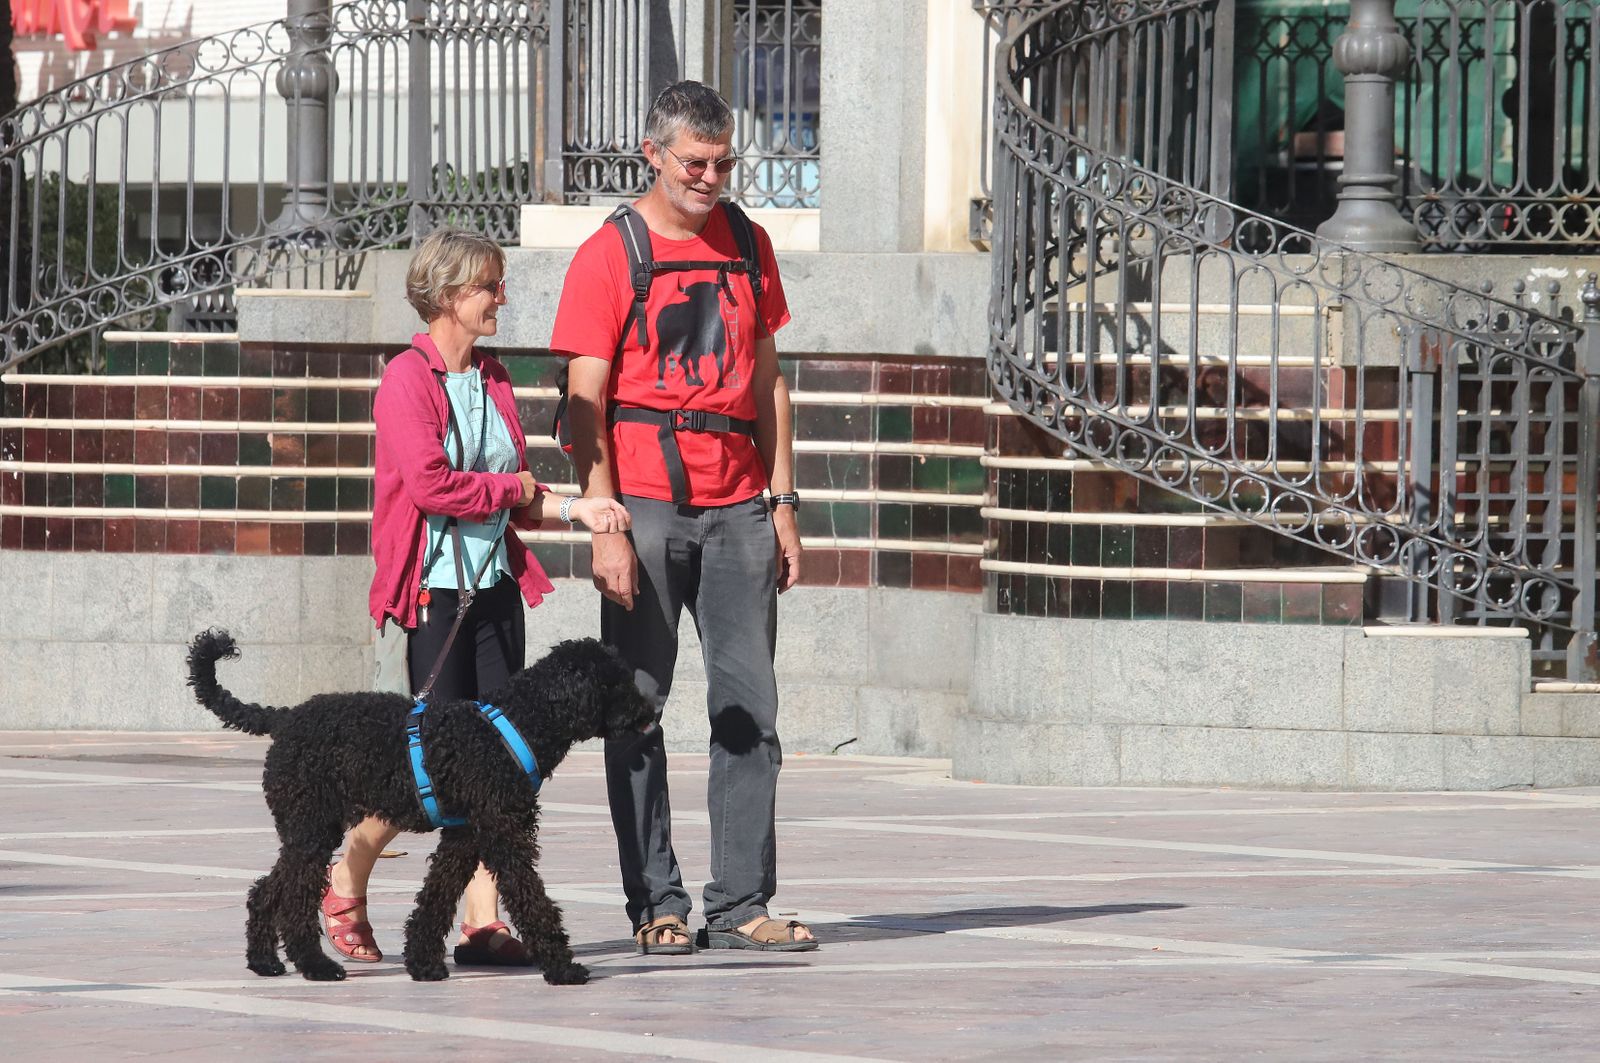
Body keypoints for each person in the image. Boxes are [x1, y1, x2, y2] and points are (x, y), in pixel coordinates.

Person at [551, 81, 817, 954]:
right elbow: (581, 400)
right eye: (695, 163)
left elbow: (770, 380)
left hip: (740, 501)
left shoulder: (748, 242)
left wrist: (782, 503)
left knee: (751, 709)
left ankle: (742, 904)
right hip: (647, 503)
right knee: (635, 707)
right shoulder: (607, 254)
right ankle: (656, 902)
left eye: (724, 162)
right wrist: (606, 523)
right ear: (652, 154)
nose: (711, 178)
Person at [326, 227, 631, 966]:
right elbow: (433, 484)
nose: (501, 296)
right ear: (449, 293)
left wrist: (574, 511)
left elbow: (515, 499)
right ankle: (346, 876)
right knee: (425, 766)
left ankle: (483, 922)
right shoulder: (406, 379)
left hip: (494, 591)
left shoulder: (492, 379)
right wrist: (513, 490)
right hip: (434, 595)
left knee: (502, 766)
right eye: (489, 285)